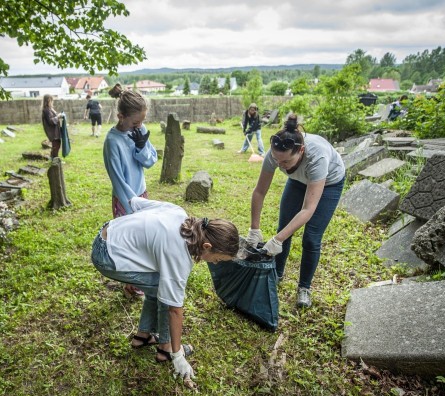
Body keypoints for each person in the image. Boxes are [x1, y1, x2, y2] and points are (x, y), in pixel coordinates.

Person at [91, 197, 239, 379]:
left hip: (107, 233)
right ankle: (167, 349)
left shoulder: (178, 212)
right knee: (164, 290)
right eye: (217, 259)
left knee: (158, 284)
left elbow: (135, 202)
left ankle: (143, 336)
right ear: (207, 246)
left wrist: (131, 254)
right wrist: (178, 356)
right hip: (106, 256)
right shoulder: (179, 256)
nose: (215, 263)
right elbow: (174, 309)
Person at [247, 114, 345, 308]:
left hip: (329, 184)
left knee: (311, 237)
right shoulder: (275, 154)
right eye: (277, 160)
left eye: (285, 163)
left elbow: (308, 210)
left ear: (300, 151)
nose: (279, 165)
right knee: (284, 227)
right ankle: (277, 274)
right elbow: (259, 192)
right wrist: (254, 229)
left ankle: (304, 288)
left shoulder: (318, 157)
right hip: (298, 180)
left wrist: (277, 240)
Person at [104, 83, 158, 297]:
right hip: (126, 200)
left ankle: (139, 280)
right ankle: (130, 284)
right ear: (120, 116)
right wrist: (133, 206)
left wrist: (141, 146)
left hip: (142, 194)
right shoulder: (112, 142)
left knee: (143, 239)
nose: (140, 126)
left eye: (143, 121)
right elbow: (118, 180)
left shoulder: (139, 130)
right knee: (129, 243)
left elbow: (150, 161)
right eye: (136, 122)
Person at [41, 94, 64, 159]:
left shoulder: (50, 109)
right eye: (51, 101)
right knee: (55, 146)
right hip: (52, 131)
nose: (52, 102)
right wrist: (58, 116)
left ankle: (53, 158)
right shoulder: (46, 110)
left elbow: (54, 117)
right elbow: (50, 121)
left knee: (57, 145)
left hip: (55, 130)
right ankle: (55, 161)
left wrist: (58, 116)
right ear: (47, 101)